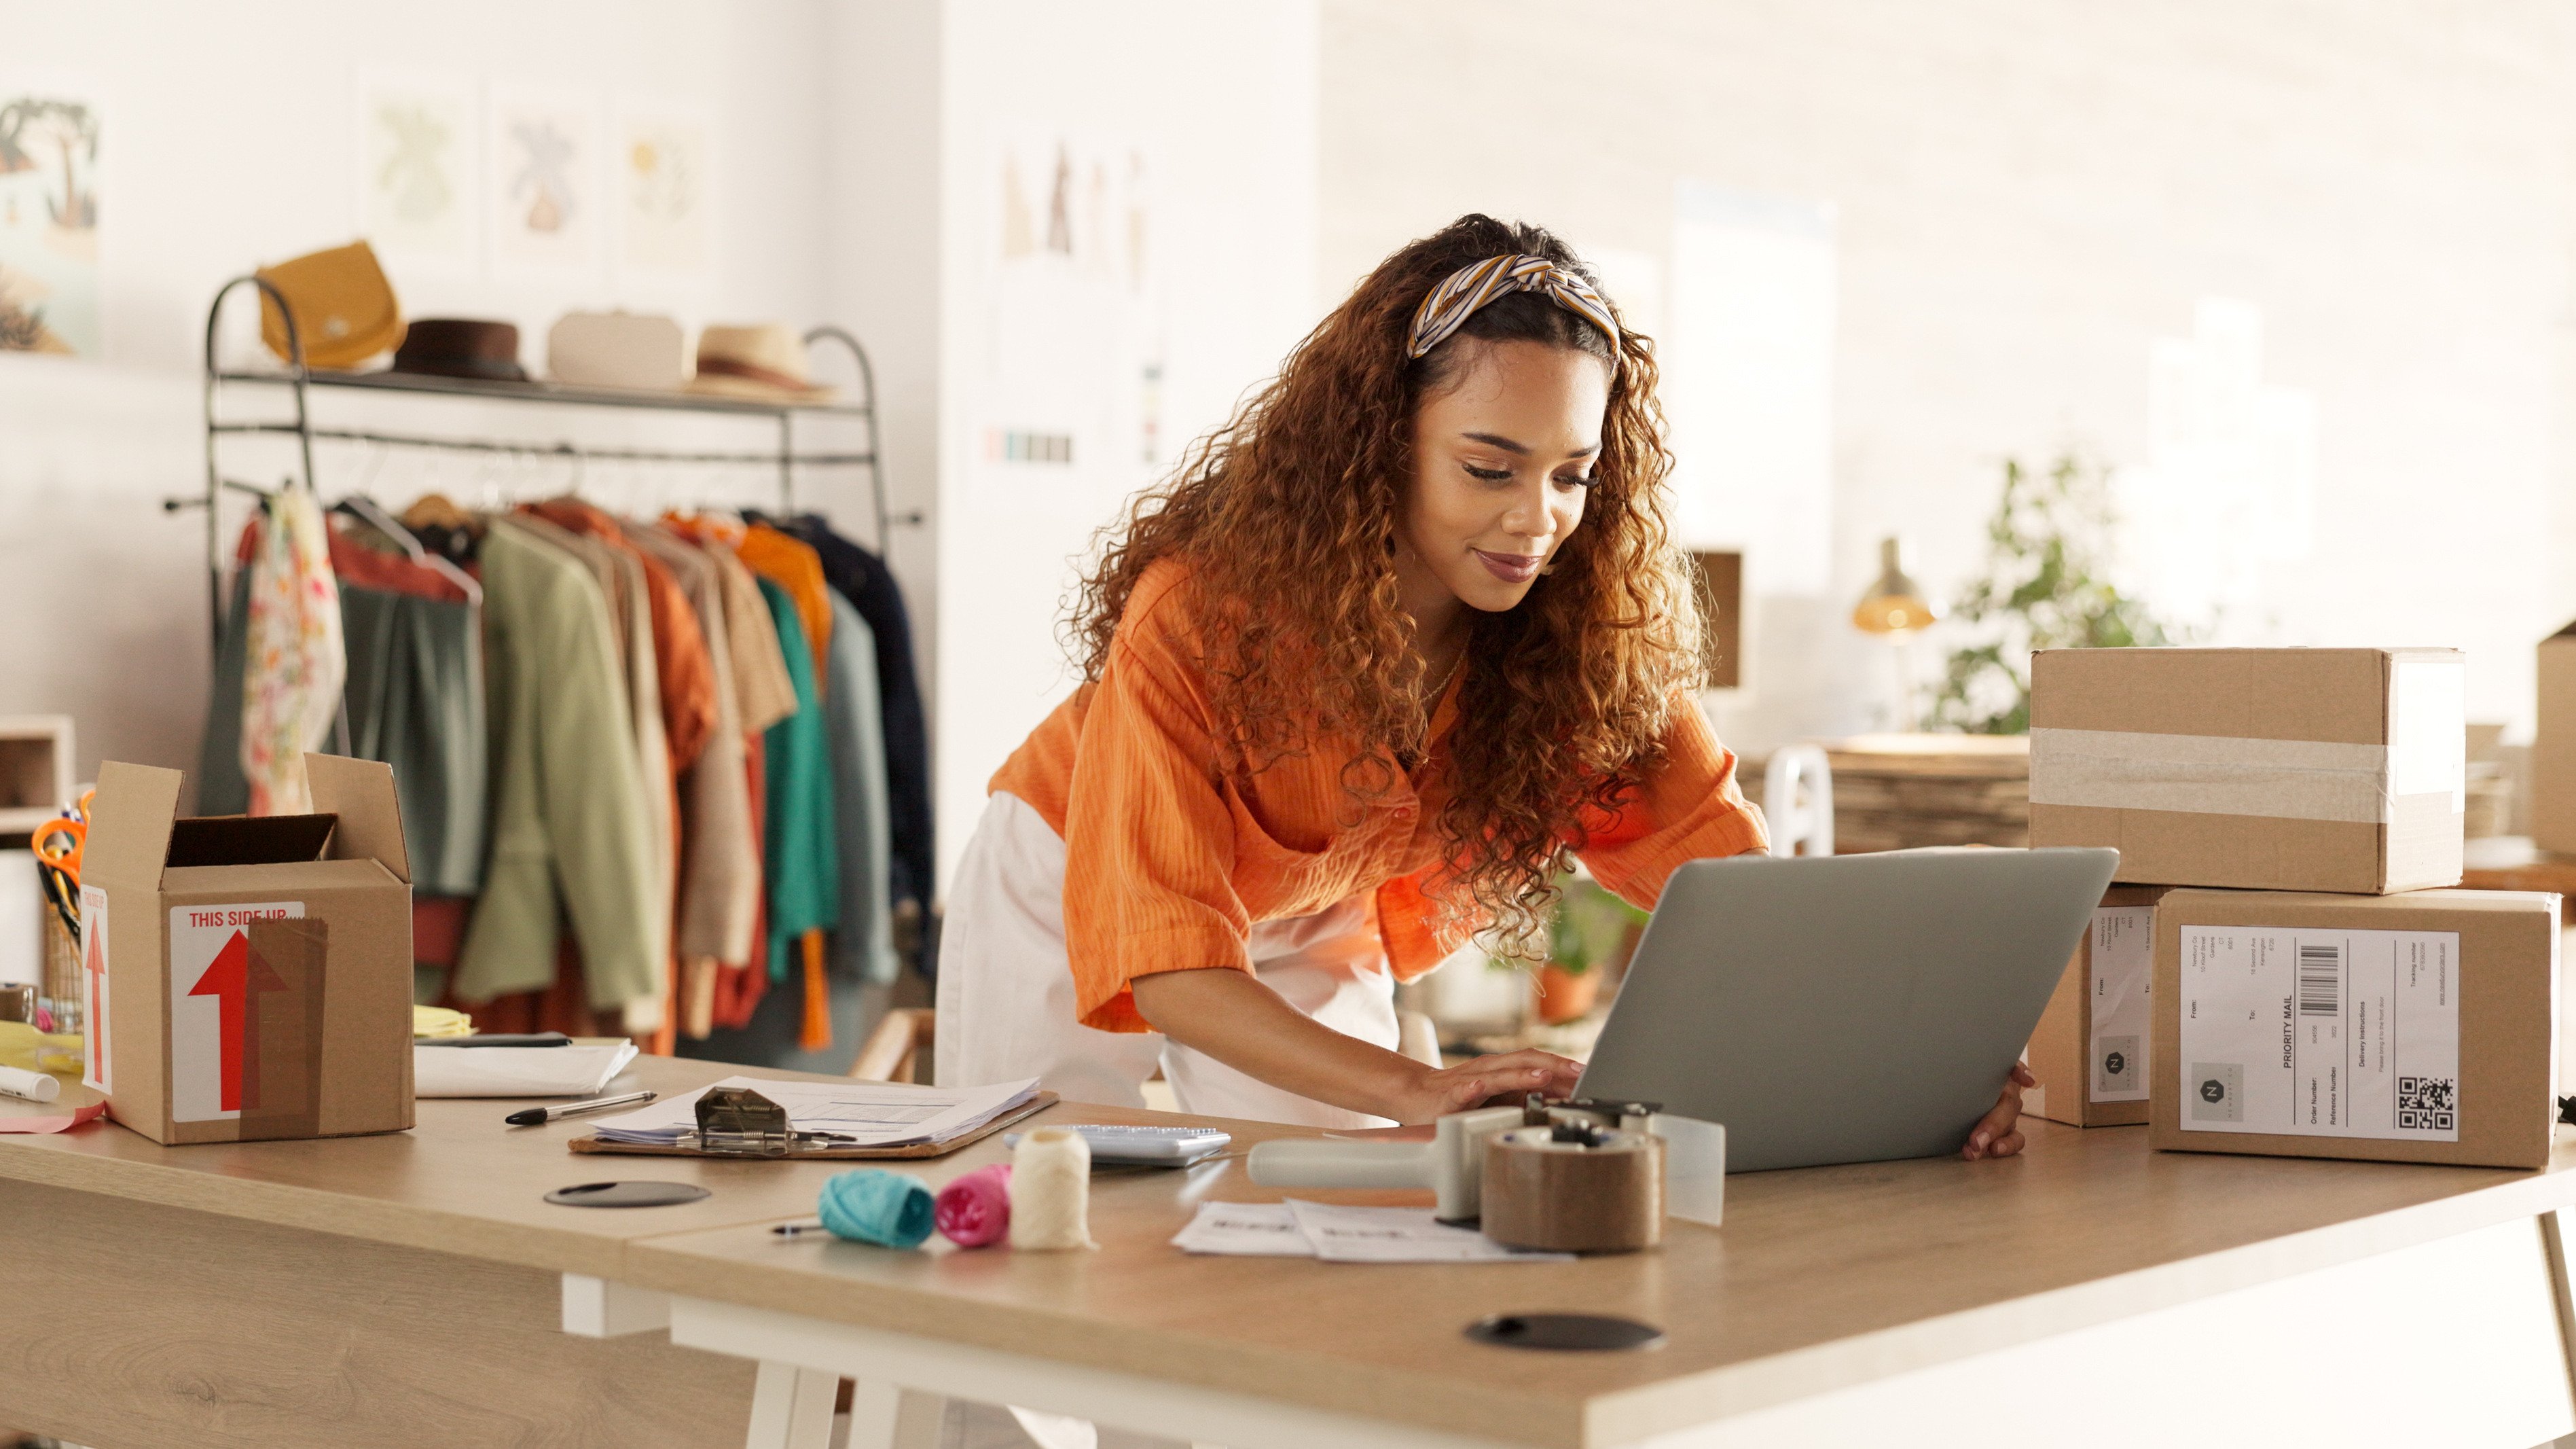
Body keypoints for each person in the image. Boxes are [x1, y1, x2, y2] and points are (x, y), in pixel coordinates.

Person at [939, 214, 2031, 1159]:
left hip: (1304, 912)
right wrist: (1417, 1085)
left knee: (1336, 1231)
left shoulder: (1582, 645)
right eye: (1488, 467)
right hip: (1068, 867)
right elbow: (1170, 962)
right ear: (1380, 442)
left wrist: (1921, 1051)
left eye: (1571, 475)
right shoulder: (1199, 615)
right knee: (1026, 1197)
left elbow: (1737, 889)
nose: (1536, 519)